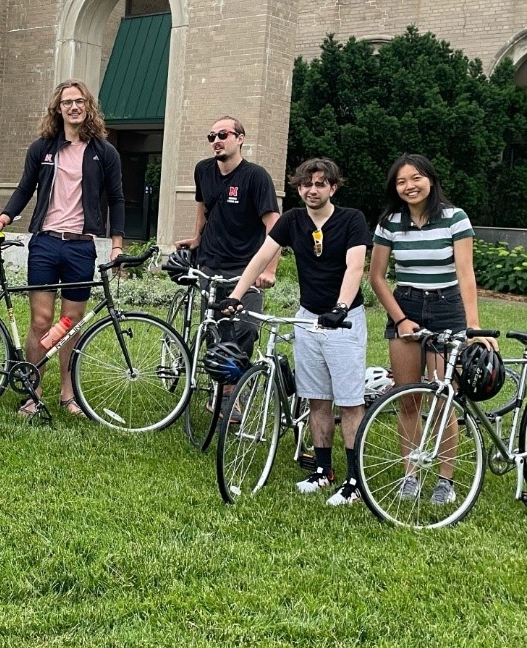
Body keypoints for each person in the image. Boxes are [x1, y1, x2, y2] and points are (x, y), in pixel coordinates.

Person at [217, 158, 371, 506]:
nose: (312, 190)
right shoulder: (292, 220)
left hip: (343, 320)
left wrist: (342, 307)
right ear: (298, 188)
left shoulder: (351, 220)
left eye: (320, 184)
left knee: (348, 402)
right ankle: (322, 471)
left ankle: (354, 481)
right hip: (308, 318)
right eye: (306, 184)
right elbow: (261, 256)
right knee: (316, 398)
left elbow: (355, 266)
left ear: (333, 187)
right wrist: (235, 296)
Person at [0, 79, 124, 417]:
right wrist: (1, 220)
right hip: (44, 243)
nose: (74, 107)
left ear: (88, 108)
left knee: (69, 322)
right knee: (42, 321)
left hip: (80, 247)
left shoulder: (104, 152)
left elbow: (116, 198)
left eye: (80, 101)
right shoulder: (42, 149)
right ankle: (33, 392)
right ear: (58, 108)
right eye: (67, 102)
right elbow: (25, 188)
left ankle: (68, 395)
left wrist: (116, 245)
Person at [368, 152, 496, 505]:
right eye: (401, 181)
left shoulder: (455, 219)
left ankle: (445, 479)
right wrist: (400, 319)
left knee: (443, 399)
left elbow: (466, 273)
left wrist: (472, 326)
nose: (409, 186)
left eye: (416, 178)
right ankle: (410, 474)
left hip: (446, 307)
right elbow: (376, 277)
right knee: (407, 398)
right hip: (406, 305)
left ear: (430, 179)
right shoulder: (390, 222)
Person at [179, 116, 280, 358]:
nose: (216, 141)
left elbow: (275, 226)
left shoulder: (256, 177)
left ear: (240, 139)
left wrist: (269, 270)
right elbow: (203, 205)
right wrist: (197, 239)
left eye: (223, 135)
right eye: (211, 137)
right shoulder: (203, 170)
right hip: (210, 264)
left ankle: (235, 387)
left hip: (246, 269)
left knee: (245, 329)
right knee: (214, 328)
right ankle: (221, 392)